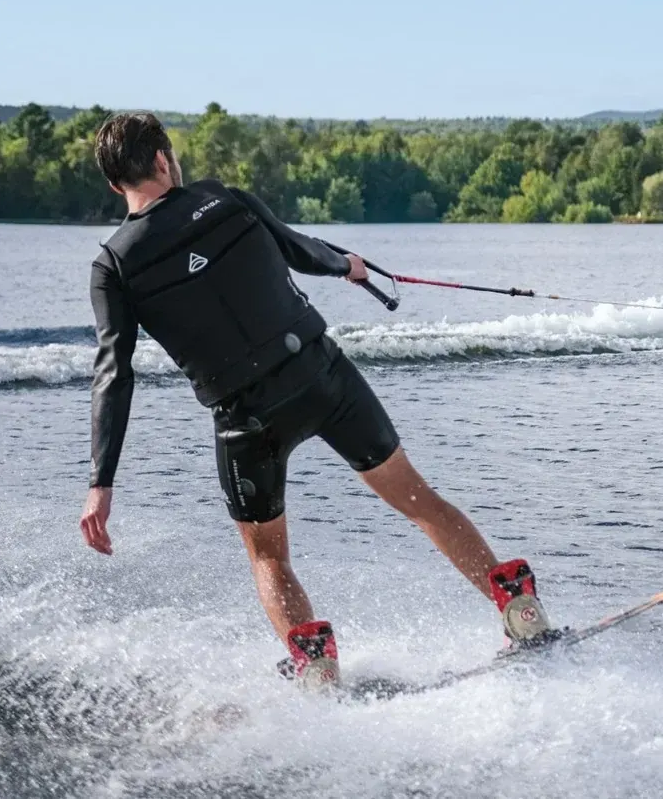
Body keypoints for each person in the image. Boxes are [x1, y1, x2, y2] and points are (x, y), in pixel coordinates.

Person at [81, 113, 554, 690]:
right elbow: (297, 248)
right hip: (322, 378)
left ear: (114, 184)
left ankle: (320, 672)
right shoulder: (222, 199)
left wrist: (101, 481)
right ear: (162, 160)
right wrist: (346, 264)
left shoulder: (113, 266)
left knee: (269, 557)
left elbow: (113, 372)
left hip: (246, 421)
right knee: (421, 502)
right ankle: (518, 611)